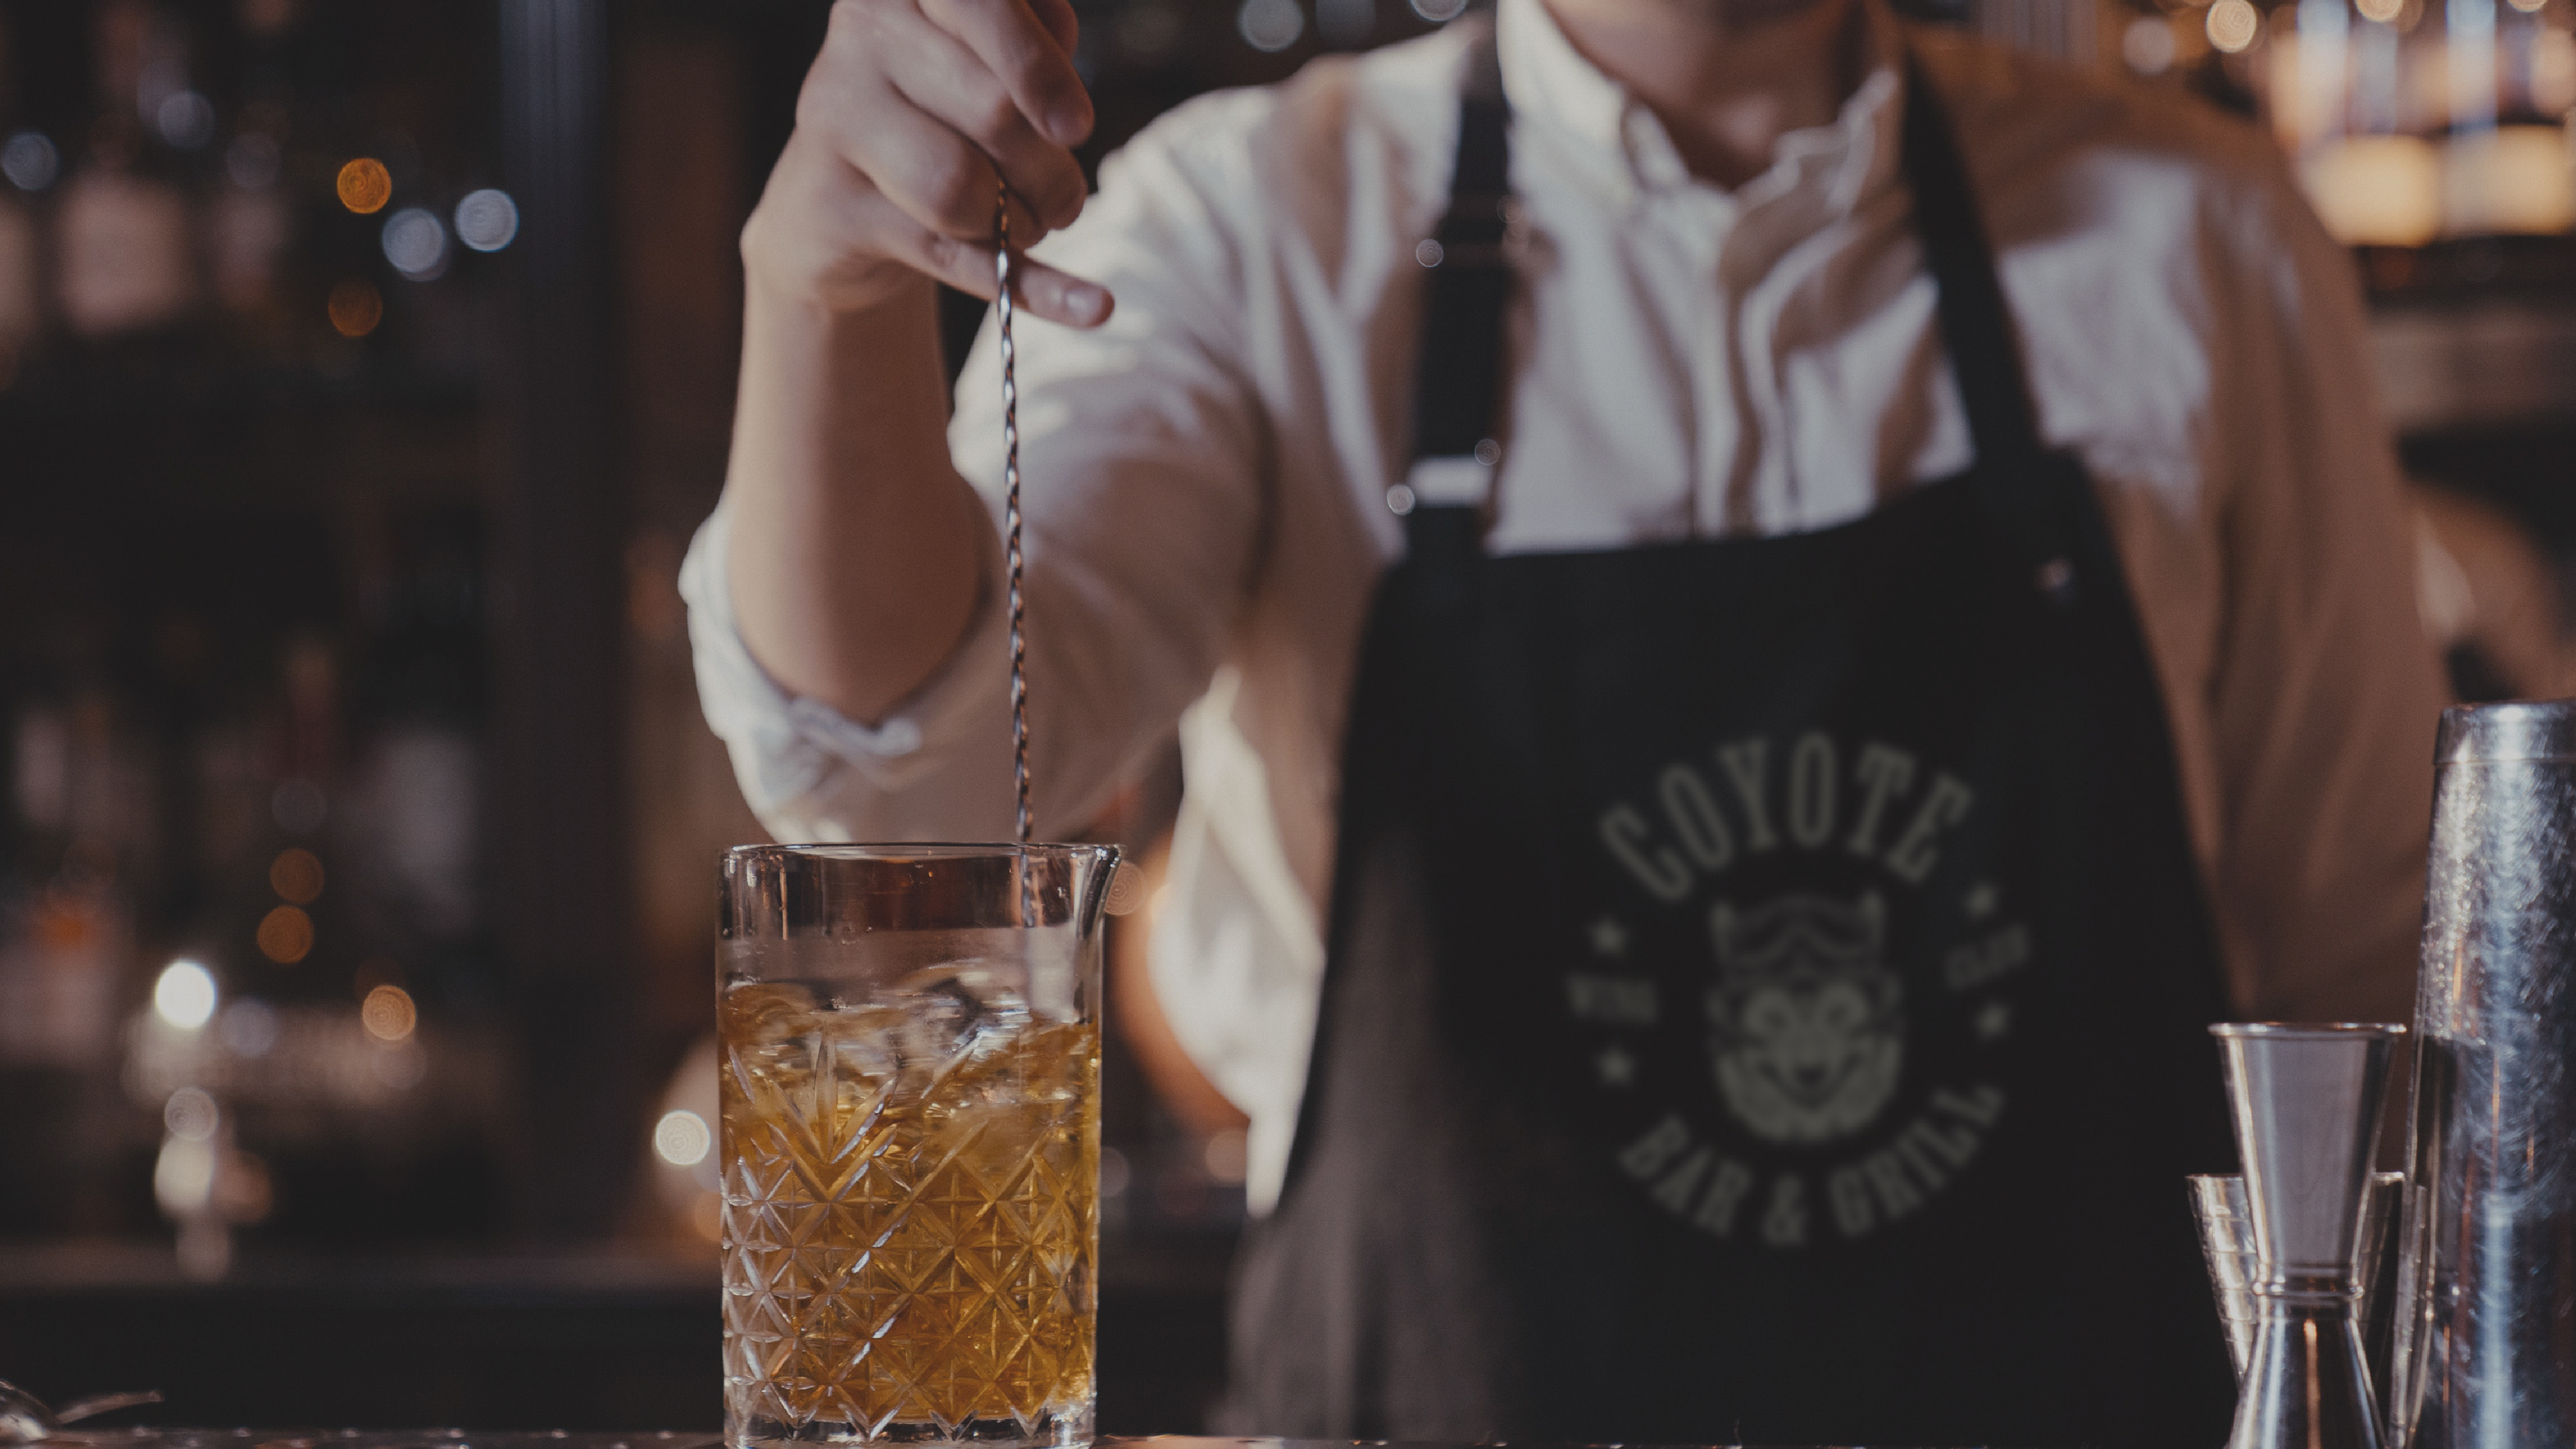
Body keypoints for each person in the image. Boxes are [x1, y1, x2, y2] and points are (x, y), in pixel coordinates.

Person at [681, 0, 2448, 1440]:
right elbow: (895, 777)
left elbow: (2367, 981)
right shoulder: (1250, 221)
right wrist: (829, 291)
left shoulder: (2199, 228)